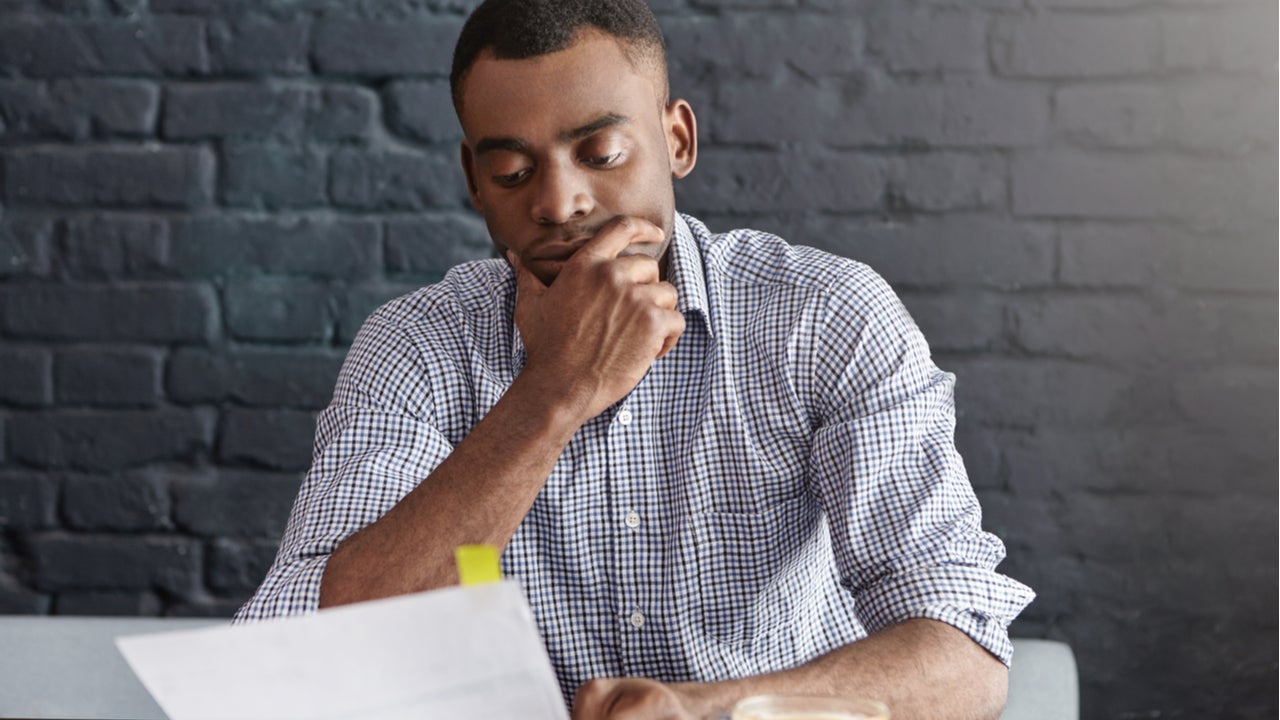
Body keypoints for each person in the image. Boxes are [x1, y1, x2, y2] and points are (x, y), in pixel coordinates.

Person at [236, 1, 1034, 718]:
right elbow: (313, 651)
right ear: (474, 182)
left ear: (676, 139)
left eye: (603, 153)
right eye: (512, 172)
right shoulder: (416, 348)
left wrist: (700, 713)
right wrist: (553, 391)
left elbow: (962, 652)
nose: (558, 202)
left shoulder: (822, 316)